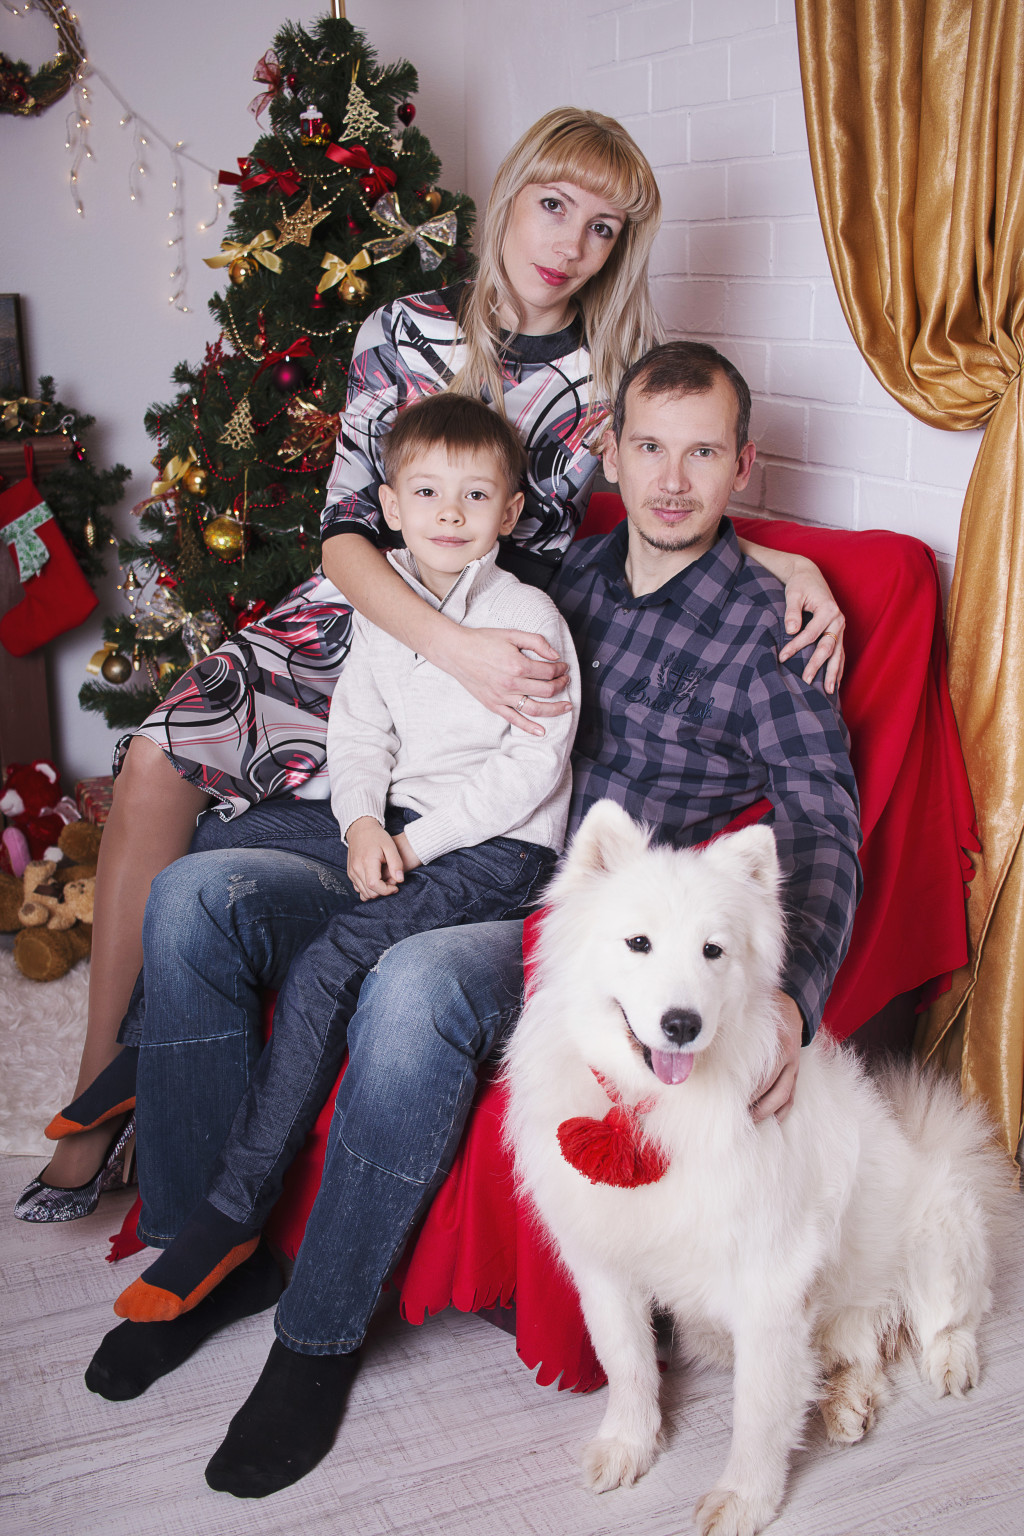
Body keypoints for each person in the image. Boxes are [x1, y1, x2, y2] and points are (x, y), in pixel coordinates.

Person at [19, 105, 845, 1218]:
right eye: (554, 205)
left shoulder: (609, 372)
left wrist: (779, 557)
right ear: (512, 196)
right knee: (159, 759)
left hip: (487, 644)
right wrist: (442, 644)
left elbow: (665, 482)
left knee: (248, 862)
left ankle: (180, 1104)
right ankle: (102, 1097)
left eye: (603, 229)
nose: (569, 244)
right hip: (360, 611)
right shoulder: (402, 330)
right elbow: (344, 530)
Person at [84, 340, 861, 1501]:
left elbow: (822, 821)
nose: (672, 480)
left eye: (704, 454)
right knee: (199, 894)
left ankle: (317, 1337)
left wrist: (791, 996)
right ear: (609, 453)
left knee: (414, 989)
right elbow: (412, 537)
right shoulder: (569, 571)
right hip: (451, 839)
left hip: (582, 931)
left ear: (741, 466)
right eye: (650, 447)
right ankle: (204, 1249)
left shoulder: (769, 636)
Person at [110, 389, 580, 1324]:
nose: (451, 514)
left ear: (510, 512)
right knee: (217, 855)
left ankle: (233, 1211)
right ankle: (135, 1061)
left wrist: (409, 841)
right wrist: (362, 824)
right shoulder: (390, 604)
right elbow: (358, 731)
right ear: (391, 507)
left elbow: (530, 771)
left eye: (476, 495)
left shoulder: (527, 615)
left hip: (496, 852)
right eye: (428, 493)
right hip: (400, 823)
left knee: (333, 963)